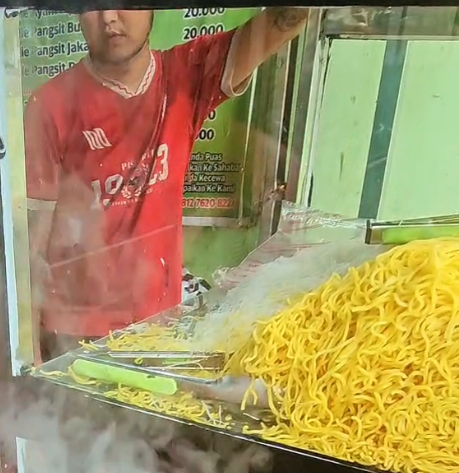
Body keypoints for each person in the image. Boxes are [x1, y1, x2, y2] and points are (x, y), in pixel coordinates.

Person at [25, 7, 309, 359]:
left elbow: (288, 19)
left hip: (158, 323)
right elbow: (31, 241)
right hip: (74, 331)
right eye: (91, 5)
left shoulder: (186, 75)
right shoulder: (50, 105)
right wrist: (29, 352)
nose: (109, 17)